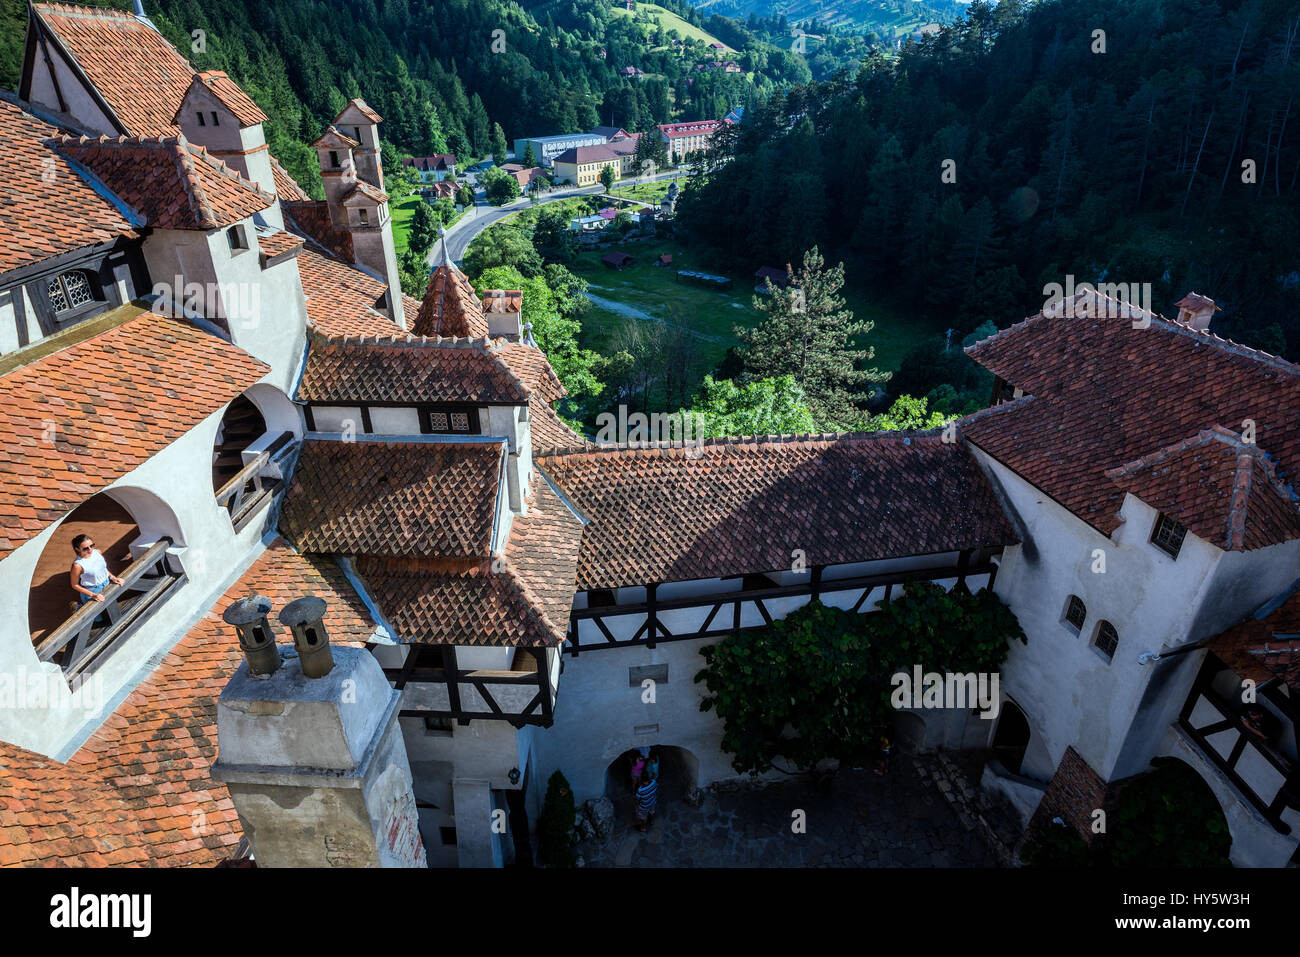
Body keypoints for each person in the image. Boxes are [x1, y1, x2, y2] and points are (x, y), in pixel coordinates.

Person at [70, 534, 123, 606]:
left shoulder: (97, 552)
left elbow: (103, 569)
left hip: (107, 583)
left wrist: (113, 577)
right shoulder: (77, 565)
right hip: (92, 590)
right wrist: (93, 595)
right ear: (77, 549)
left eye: (92, 546)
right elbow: (74, 585)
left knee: (111, 608)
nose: (90, 549)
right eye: (86, 548)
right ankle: (77, 608)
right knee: (98, 616)